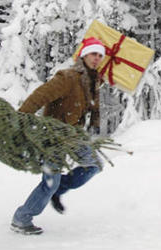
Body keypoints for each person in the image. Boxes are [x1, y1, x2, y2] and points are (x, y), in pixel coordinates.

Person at [10, 37, 107, 235]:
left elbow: (94, 106)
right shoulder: (68, 77)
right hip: (52, 136)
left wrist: (95, 126)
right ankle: (22, 219)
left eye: (99, 55)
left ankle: (58, 190)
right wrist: (20, 117)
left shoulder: (94, 80)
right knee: (49, 182)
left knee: (93, 166)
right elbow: (41, 95)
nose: (96, 58)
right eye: (93, 54)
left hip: (73, 136)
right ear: (84, 55)